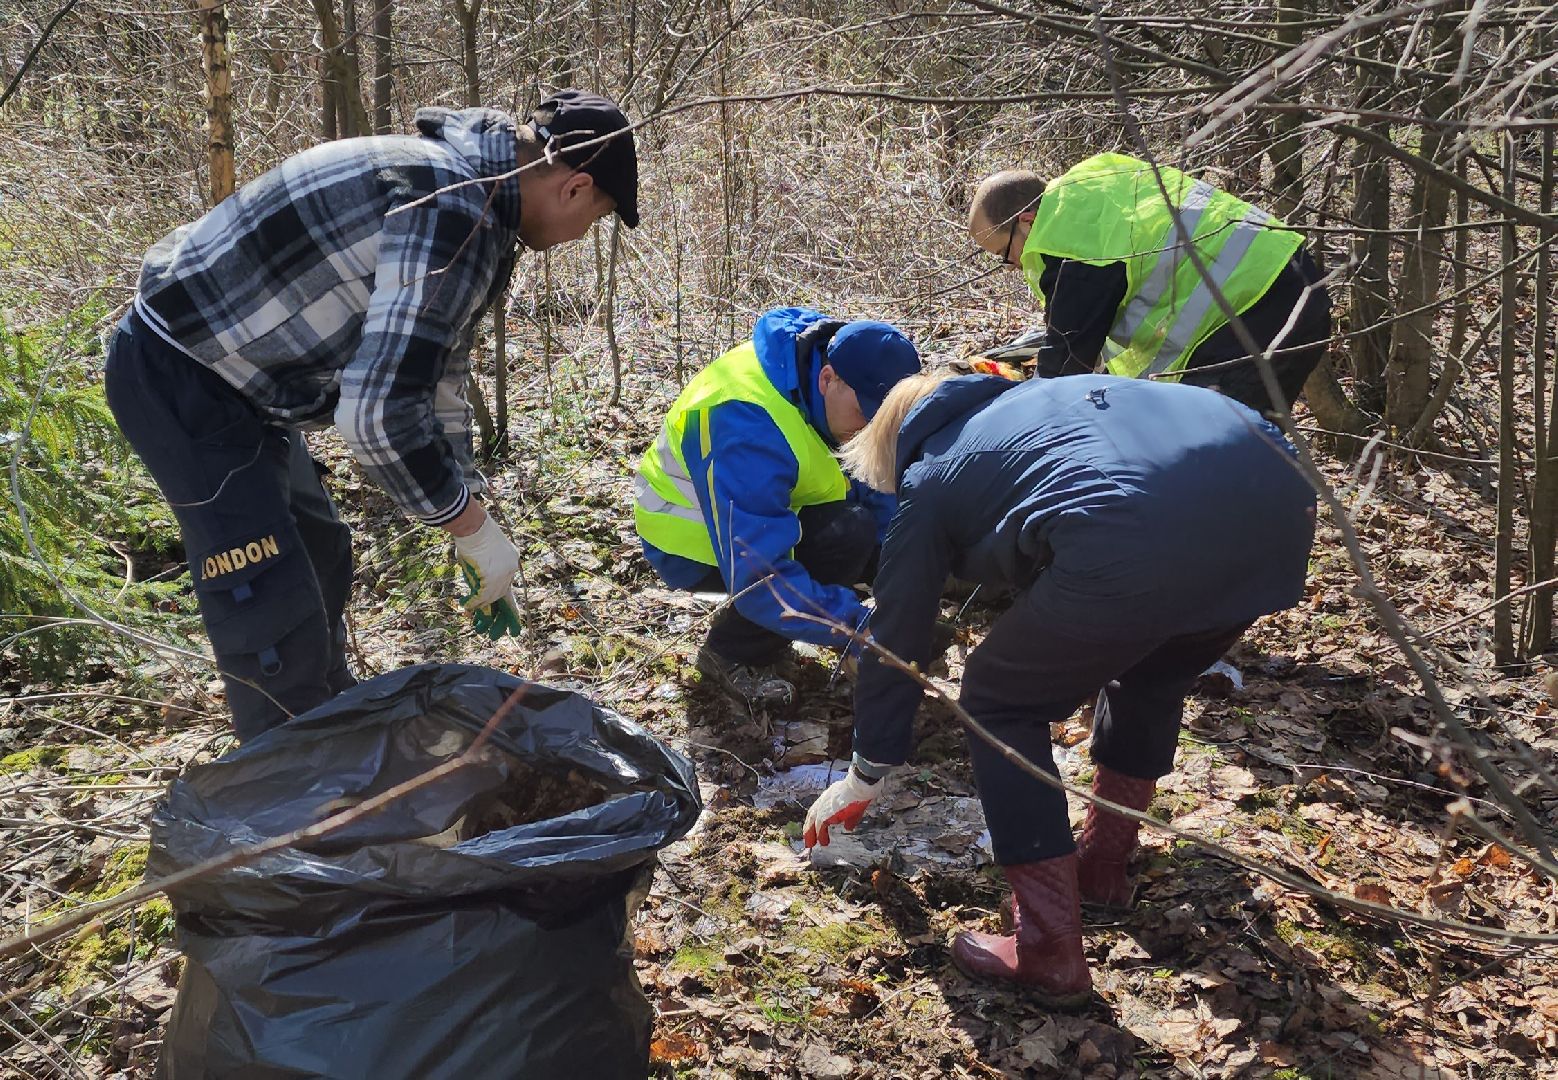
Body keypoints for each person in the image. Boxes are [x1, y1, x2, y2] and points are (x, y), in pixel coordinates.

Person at [104, 90, 639, 741]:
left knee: (321, 551)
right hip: (181, 371)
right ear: (577, 188)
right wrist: (470, 530)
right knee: (270, 604)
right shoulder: (454, 209)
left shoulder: (475, 203)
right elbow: (377, 418)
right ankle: (294, 800)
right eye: (601, 216)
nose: (585, 234)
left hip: (244, 379)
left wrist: (470, 509)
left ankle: (330, 733)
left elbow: (435, 374)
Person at [804, 371, 1315, 1005]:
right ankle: (1101, 868)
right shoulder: (1044, 403)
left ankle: (1047, 948)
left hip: (1137, 526)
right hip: (1277, 507)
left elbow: (896, 634)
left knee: (996, 696)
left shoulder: (930, 475)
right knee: (1151, 666)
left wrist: (867, 770)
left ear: (894, 441)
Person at [633, 307, 921, 706]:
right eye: (865, 414)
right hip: (690, 539)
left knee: (867, 532)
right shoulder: (745, 421)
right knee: (847, 534)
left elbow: (874, 486)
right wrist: (857, 627)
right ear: (827, 380)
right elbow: (759, 577)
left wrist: (905, 576)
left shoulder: (831, 365)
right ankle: (730, 653)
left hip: (767, 506)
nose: (870, 429)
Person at [968, 153, 1331, 415]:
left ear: (1027, 221)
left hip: (1260, 303)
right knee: (1234, 448)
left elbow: (1063, 369)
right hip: (1282, 282)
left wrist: (1009, 412)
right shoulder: (1092, 190)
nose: (1013, 265)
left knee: (1220, 450)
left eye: (1004, 252)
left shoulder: (1066, 238)